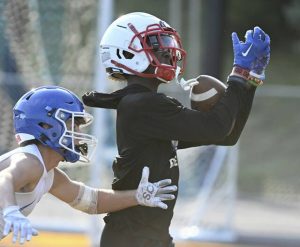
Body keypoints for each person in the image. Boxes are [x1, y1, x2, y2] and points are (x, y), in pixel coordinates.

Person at [82, 12, 271, 247]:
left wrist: (250, 81)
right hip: (132, 239)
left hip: (149, 237)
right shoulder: (144, 105)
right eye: (157, 44)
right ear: (126, 52)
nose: (169, 51)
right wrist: (239, 75)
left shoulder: (146, 105)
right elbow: (216, 127)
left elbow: (226, 136)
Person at [0, 85, 178, 245]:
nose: (78, 135)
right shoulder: (31, 163)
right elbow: (5, 177)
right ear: (46, 126)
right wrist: (10, 211)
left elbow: (91, 201)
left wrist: (138, 197)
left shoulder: (49, 174)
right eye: (73, 126)